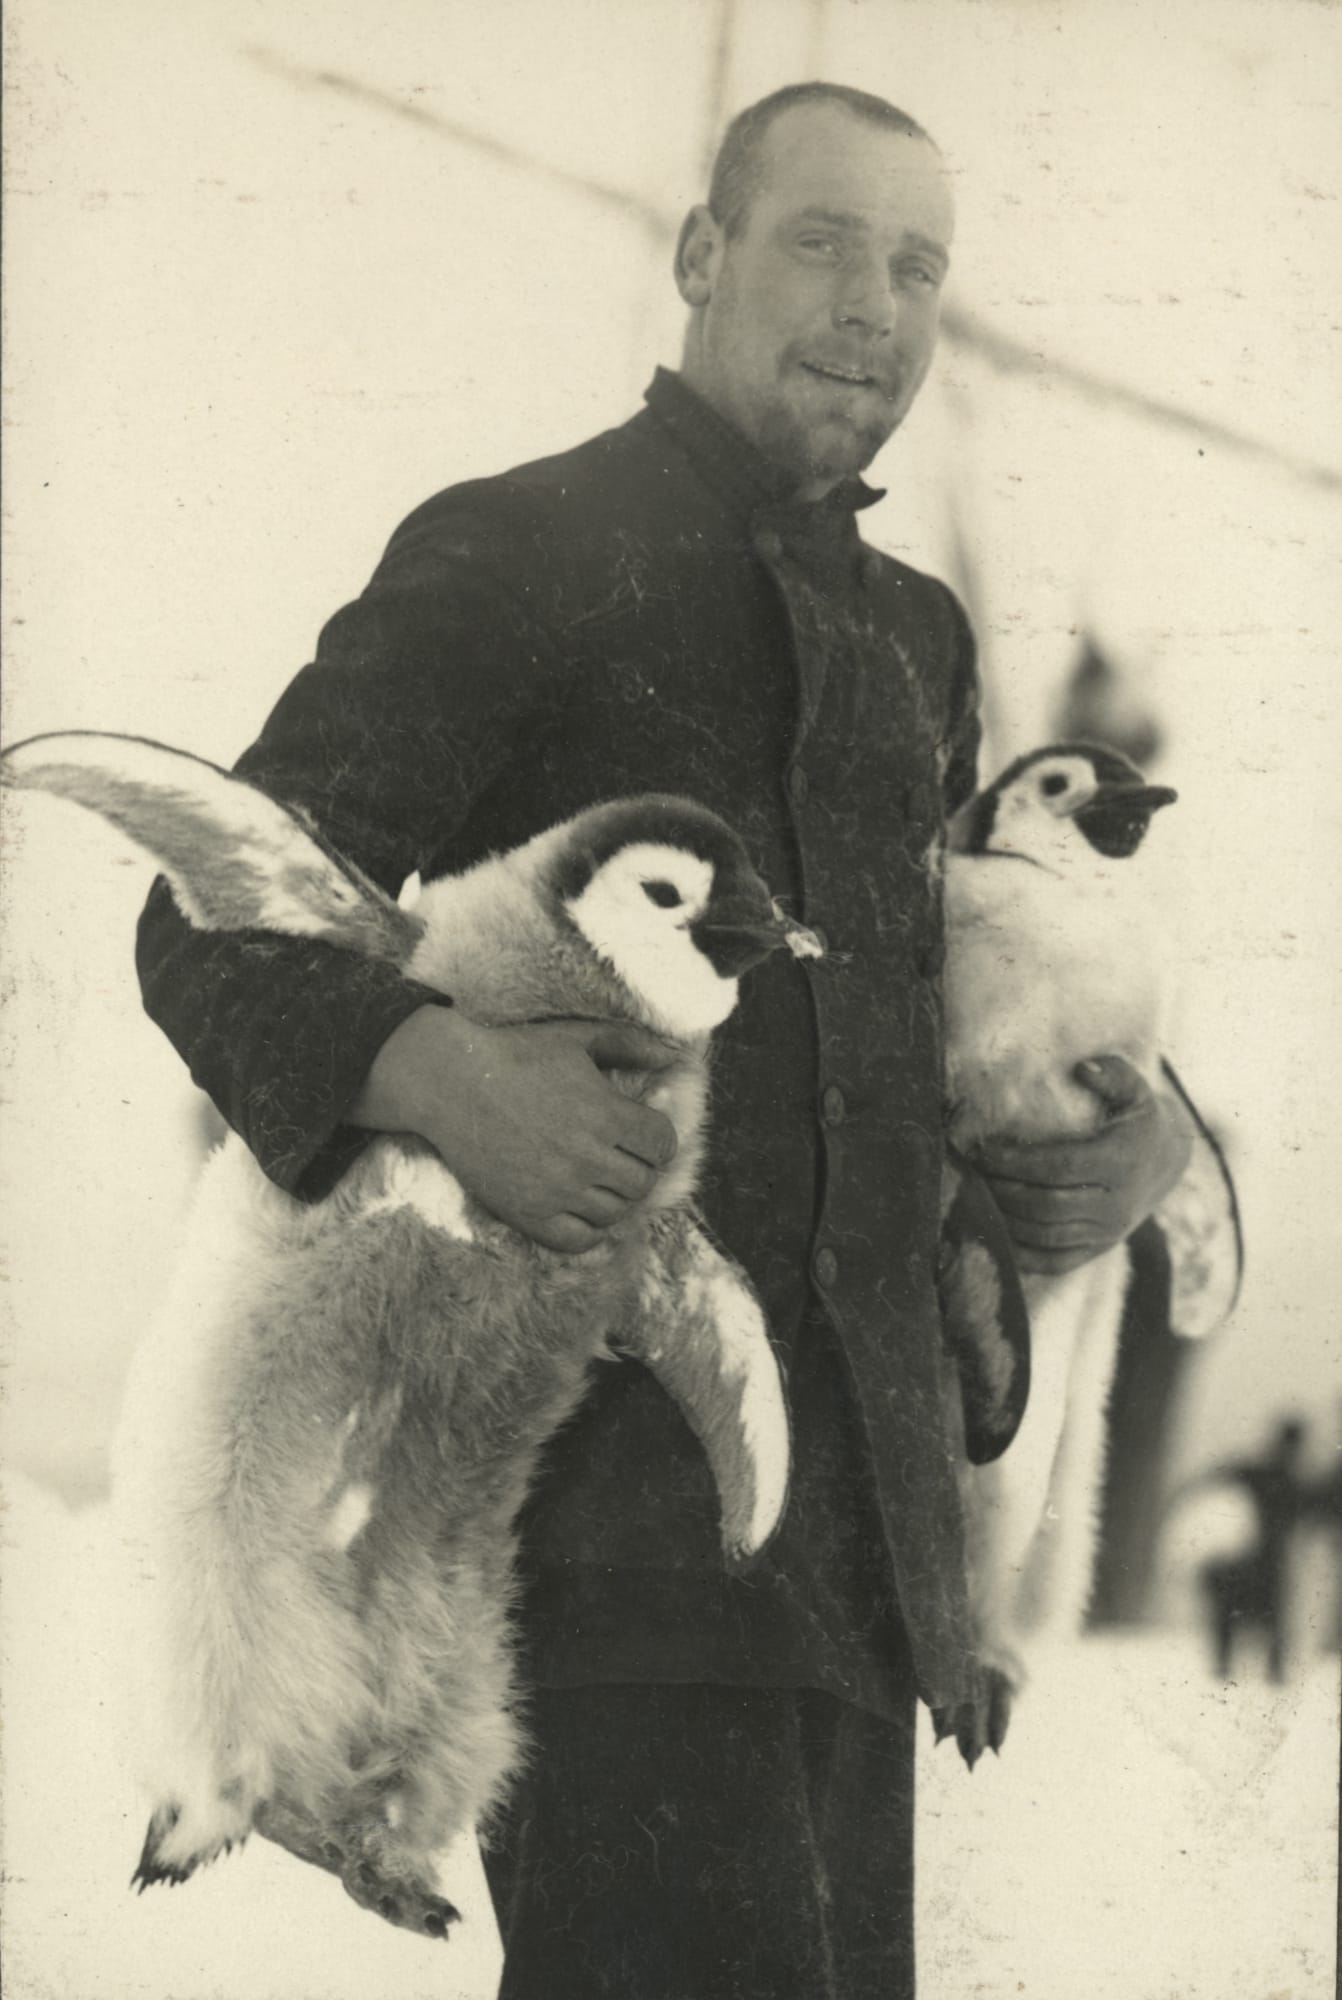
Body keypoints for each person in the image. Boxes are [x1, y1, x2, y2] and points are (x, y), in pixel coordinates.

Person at [136, 83, 1192, 1998]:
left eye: (919, 264)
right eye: (818, 240)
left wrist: (1135, 1137)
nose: (876, 303)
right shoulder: (520, 548)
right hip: (611, 1538)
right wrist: (438, 1070)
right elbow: (212, 917)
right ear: (700, 256)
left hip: (868, 1572)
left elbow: (953, 993)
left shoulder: (919, 643)